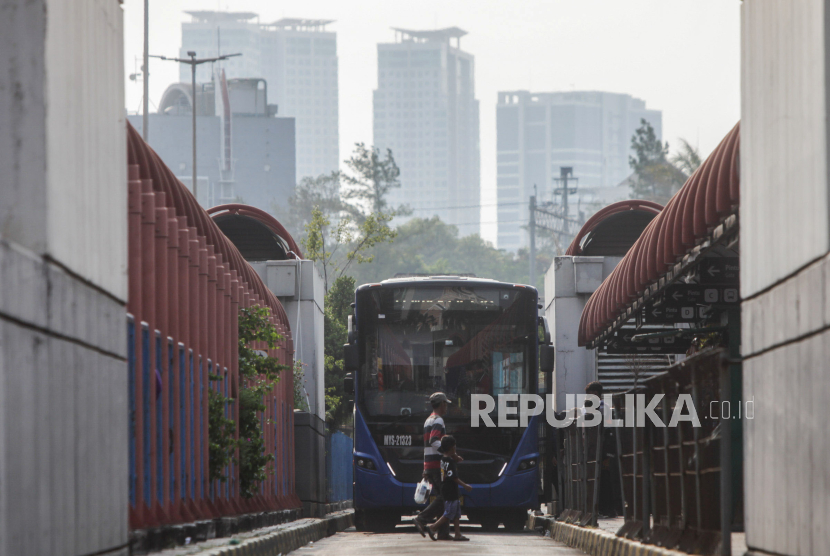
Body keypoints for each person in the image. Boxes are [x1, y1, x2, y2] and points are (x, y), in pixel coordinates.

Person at [414, 392, 457, 539]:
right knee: (445, 497)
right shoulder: (438, 420)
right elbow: (433, 440)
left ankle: (443, 533)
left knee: (441, 497)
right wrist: (448, 453)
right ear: (442, 404)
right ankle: (421, 518)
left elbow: (426, 444)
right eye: (446, 404)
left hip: (429, 464)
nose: (447, 408)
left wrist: (425, 468)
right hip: (437, 464)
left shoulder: (428, 420)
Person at [427, 435, 471, 541]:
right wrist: (465, 485)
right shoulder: (450, 462)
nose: (455, 449)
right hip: (450, 491)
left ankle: (457, 534)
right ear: (452, 448)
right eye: (455, 447)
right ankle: (433, 527)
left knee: (456, 514)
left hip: (447, 489)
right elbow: (454, 477)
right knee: (449, 513)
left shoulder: (443, 459)